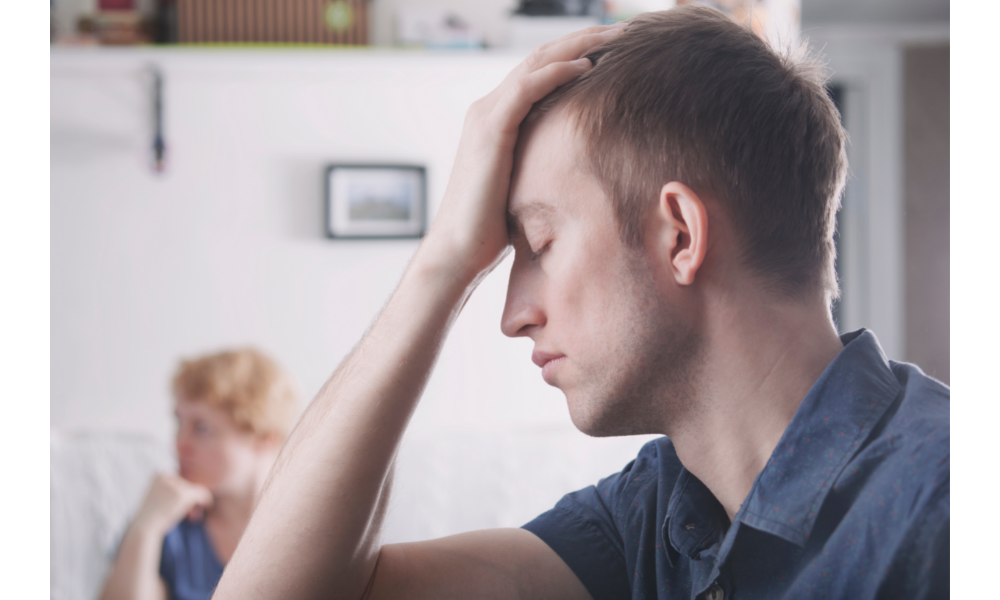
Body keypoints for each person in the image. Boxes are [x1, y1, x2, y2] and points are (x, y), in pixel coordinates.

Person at [214, 6, 949, 600]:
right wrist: (441, 265)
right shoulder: (653, 520)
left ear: (680, 234)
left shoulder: (948, 501)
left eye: (537, 241)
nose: (512, 315)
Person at [99, 348, 298, 600]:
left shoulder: (308, 528)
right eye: (179, 423)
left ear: (263, 439)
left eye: (202, 428)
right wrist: (145, 526)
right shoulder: (172, 529)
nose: (180, 443)